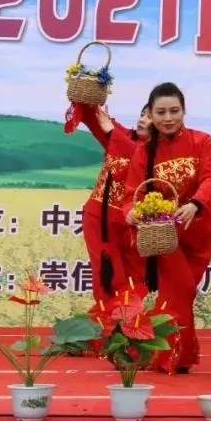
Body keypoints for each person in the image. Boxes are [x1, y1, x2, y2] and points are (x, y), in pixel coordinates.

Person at [122, 82, 211, 374]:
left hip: (198, 232)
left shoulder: (202, 141)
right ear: (150, 115)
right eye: (161, 112)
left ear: (184, 111)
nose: (168, 118)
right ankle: (173, 356)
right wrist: (130, 213)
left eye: (174, 111)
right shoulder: (145, 152)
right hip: (165, 237)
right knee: (179, 289)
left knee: (182, 294)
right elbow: (132, 193)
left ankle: (164, 351)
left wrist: (196, 204)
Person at [69, 102, 149, 304]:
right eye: (142, 114)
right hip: (101, 219)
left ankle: (131, 320)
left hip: (135, 224)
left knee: (136, 277)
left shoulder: (163, 152)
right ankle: (108, 321)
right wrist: (91, 93)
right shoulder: (122, 135)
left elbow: (143, 161)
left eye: (149, 116)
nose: (142, 120)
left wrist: (113, 132)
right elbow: (95, 118)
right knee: (108, 276)